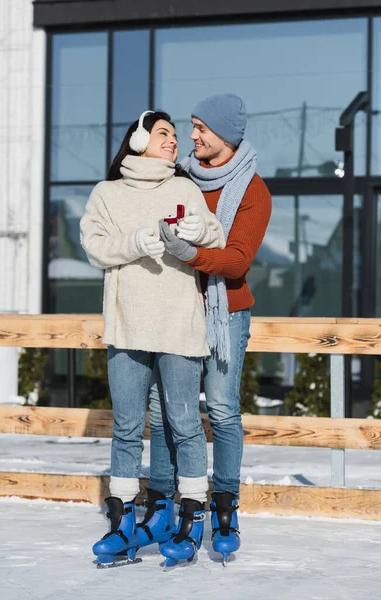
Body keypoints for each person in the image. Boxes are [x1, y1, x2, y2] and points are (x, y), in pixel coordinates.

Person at [80, 110, 225, 568]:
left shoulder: (185, 189)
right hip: (127, 324)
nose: (174, 142)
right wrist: (137, 241)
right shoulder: (107, 194)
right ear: (139, 139)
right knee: (126, 427)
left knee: (184, 425)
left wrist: (197, 230)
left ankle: (190, 518)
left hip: (179, 325)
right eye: (164, 133)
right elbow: (94, 247)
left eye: (177, 136)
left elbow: (216, 237)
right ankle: (122, 520)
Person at [145, 94, 272, 564]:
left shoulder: (253, 192)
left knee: (220, 409)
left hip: (225, 313)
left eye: (200, 128)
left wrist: (189, 254)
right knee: (167, 411)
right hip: (176, 308)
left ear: (225, 135)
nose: (191, 135)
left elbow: (237, 260)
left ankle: (224, 507)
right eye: (190, 126)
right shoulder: (178, 178)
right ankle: (169, 505)